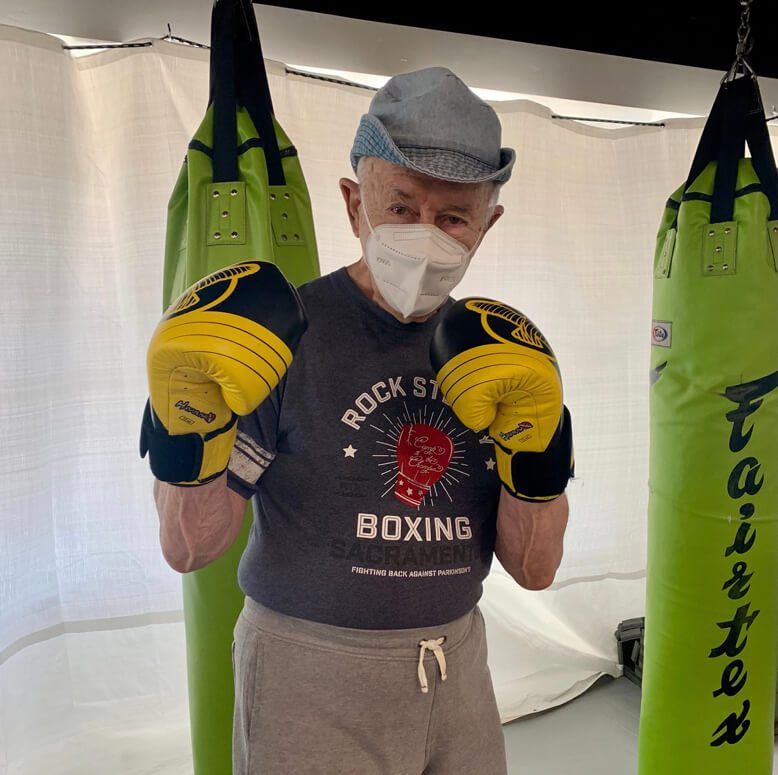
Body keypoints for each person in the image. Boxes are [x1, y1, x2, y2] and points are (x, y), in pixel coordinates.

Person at [149, 66, 572, 775]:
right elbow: (190, 547)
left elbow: (535, 570)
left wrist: (538, 451)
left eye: (452, 218)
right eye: (402, 208)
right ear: (353, 203)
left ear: (487, 225)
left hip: (456, 666)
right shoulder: (280, 336)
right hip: (308, 674)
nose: (424, 236)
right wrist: (186, 423)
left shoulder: (505, 358)